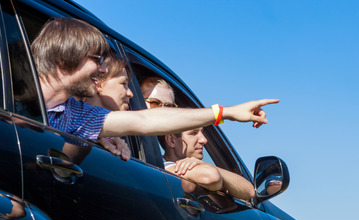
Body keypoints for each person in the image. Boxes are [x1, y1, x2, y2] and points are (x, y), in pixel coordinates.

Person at [31, 18, 278, 148]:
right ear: (65, 59)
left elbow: (144, 120)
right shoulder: (1, 96)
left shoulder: (77, 115)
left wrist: (224, 113)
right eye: (97, 60)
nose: (103, 69)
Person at [140, 77, 254, 200]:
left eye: (169, 106)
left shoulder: (192, 166)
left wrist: (202, 164)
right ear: (171, 140)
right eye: (155, 103)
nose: (204, 140)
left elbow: (249, 191)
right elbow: (211, 177)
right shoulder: (164, 166)